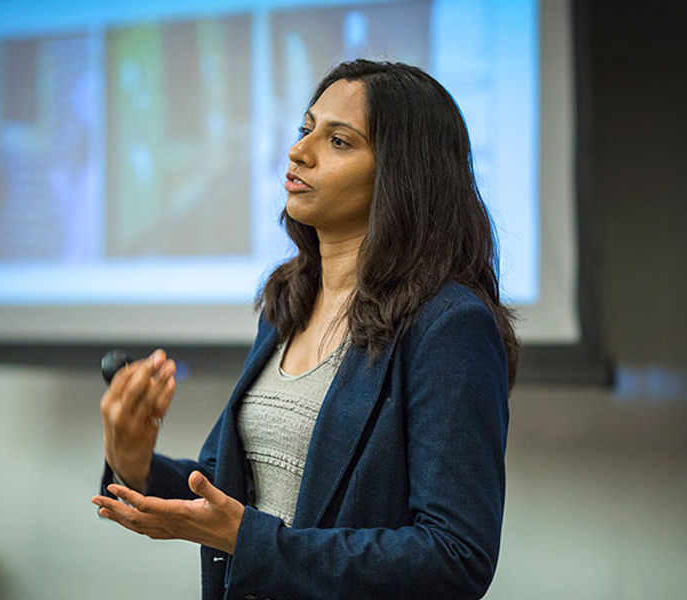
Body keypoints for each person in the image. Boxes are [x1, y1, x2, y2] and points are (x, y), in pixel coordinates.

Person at [92, 59, 519, 600]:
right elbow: (226, 488)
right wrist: (136, 466)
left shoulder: (450, 327)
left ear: (402, 173)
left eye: (339, 141)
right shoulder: (288, 301)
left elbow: (455, 557)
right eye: (305, 130)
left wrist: (254, 542)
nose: (299, 152)